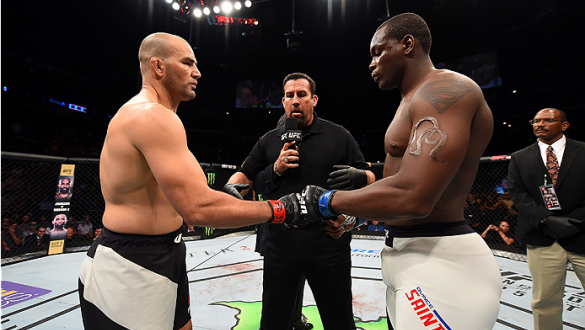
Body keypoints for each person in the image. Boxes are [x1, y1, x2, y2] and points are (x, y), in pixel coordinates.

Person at [77, 33, 307, 330]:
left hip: (164, 252)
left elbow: (188, 197)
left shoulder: (160, 117)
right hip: (131, 263)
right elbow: (198, 208)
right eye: (187, 63)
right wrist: (283, 208)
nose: (197, 72)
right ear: (158, 66)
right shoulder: (151, 116)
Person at [298, 13, 501, 330]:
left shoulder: (446, 90)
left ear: (408, 45)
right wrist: (354, 214)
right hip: (405, 253)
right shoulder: (411, 99)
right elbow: (398, 184)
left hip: (443, 260)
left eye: (378, 51)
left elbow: (414, 196)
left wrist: (327, 201)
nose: (372, 63)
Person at [225, 72, 375, 330]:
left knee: (339, 321)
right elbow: (246, 175)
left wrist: (362, 176)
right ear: (283, 102)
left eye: (301, 95)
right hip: (281, 247)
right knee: (274, 322)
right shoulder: (270, 140)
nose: (295, 100)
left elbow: (369, 179)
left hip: (328, 245)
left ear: (314, 100)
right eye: (289, 96)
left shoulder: (338, 135)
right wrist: (248, 179)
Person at [506, 107, 585, 330]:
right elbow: (517, 193)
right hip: (541, 235)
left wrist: (573, 222)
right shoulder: (520, 157)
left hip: (582, 232)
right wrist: (548, 220)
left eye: (547, 120)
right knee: (544, 301)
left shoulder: (583, 151)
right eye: (536, 121)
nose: (539, 124)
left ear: (564, 125)